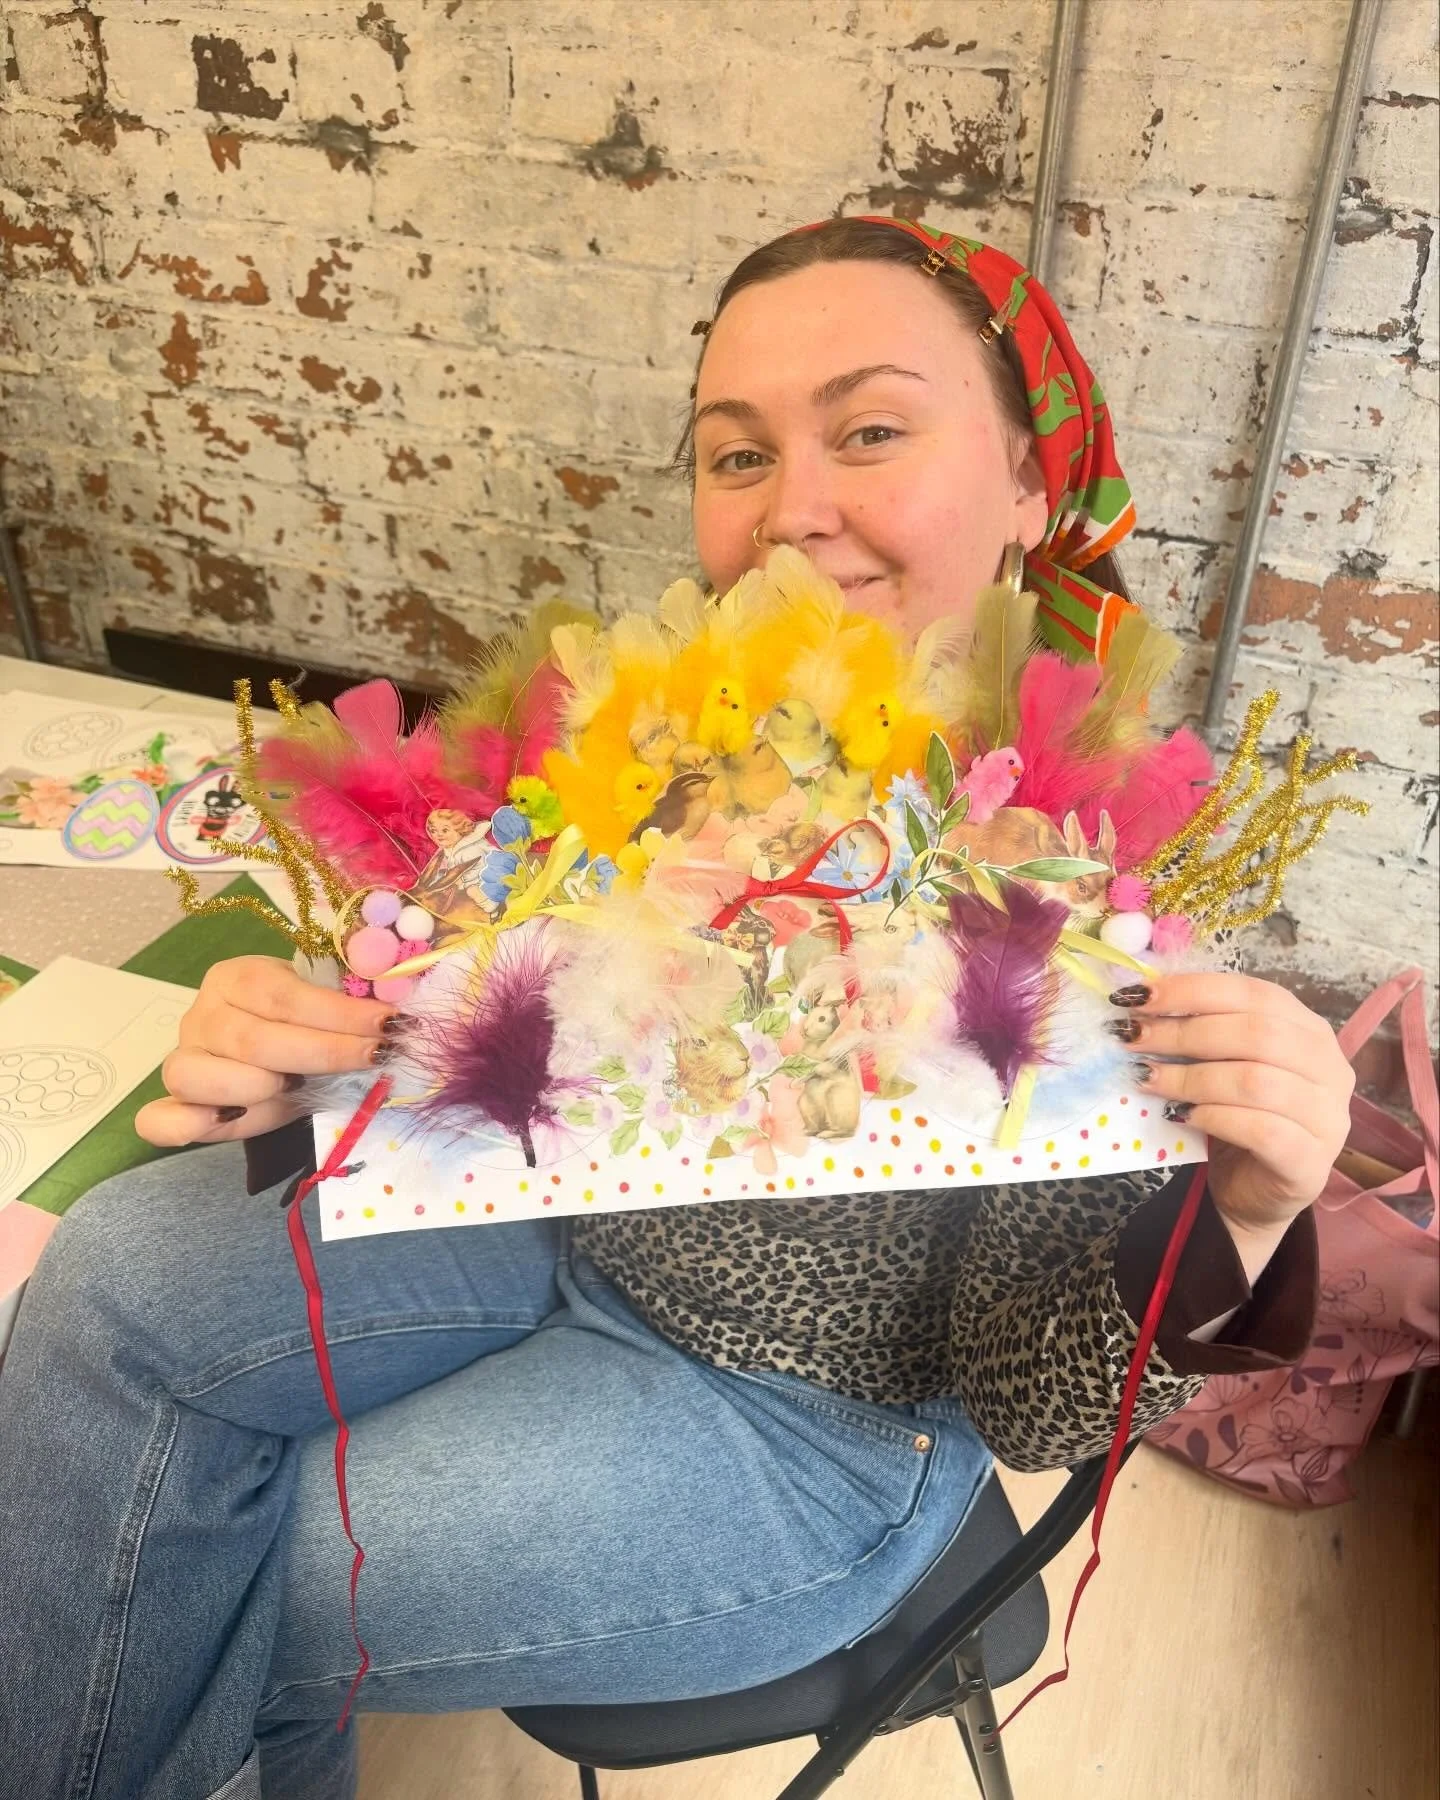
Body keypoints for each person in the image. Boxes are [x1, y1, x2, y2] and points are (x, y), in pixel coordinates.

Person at [0, 219, 1353, 1800]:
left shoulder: (1094, 869)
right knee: (113, 1280)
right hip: (545, 1224)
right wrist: (302, 1050)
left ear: (1030, 487)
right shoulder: (672, 730)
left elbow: (1031, 1398)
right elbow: (469, 999)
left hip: (801, 1417)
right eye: (734, 454)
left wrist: (1249, 1214)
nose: (792, 513)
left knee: (183, 1570)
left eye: (869, 430)